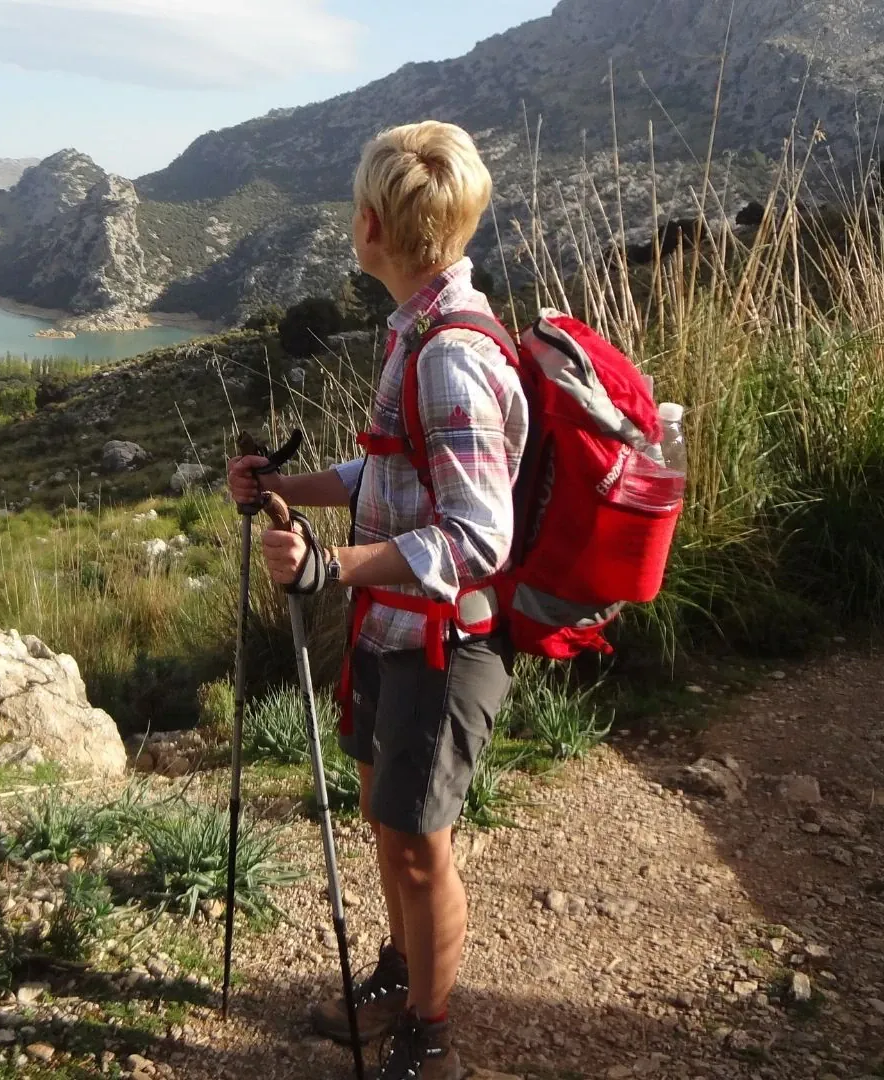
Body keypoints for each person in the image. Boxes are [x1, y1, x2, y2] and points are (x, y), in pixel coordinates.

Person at [229, 121, 527, 1080]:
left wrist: (334, 568)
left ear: (368, 228)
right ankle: (400, 976)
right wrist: (297, 486)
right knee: (385, 819)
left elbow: (480, 535)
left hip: (446, 641)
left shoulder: (447, 354)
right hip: (399, 628)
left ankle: (428, 1032)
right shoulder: (420, 329)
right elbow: (394, 466)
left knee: (417, 843)